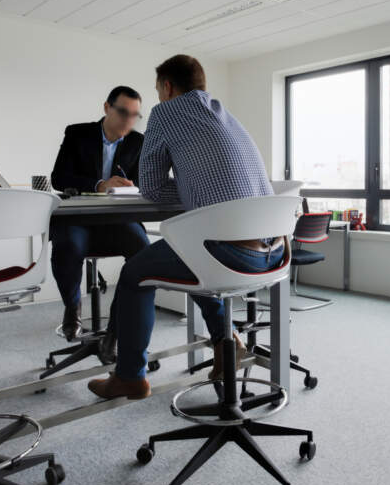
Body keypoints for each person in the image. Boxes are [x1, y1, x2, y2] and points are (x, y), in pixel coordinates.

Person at [88, 56, 283, 400]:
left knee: (135, 273)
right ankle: (227, 345)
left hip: (228, 251)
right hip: (272, 255)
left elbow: (149, 186)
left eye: (157, 92)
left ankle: (130, 377)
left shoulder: (167, 112)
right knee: (189, 252)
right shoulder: (227, 114)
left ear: (167, 87)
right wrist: (197, 186)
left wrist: (192, 189)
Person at [50, 86, 149, 340]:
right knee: (68, 246)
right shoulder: (77, 133)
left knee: (143, 251)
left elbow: (143, 183)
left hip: (117, 220)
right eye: (123, 112)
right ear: (107, 108)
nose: (129, 120)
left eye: (135, 115)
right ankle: (73, 308)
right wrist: (99, 185)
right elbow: (59, 177)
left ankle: (117, 326)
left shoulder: (139, 142)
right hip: (79, 220)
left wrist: (134, 186)